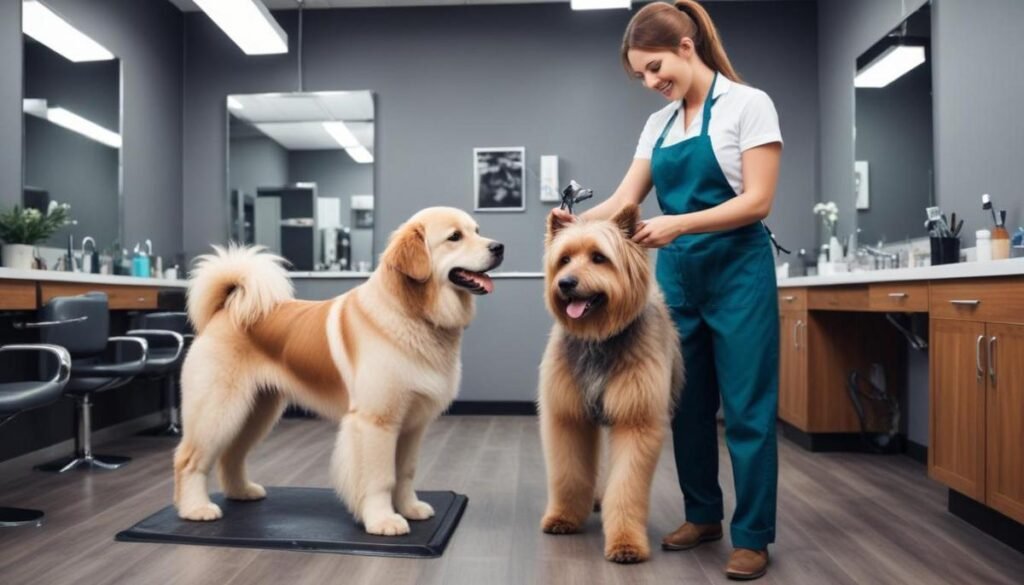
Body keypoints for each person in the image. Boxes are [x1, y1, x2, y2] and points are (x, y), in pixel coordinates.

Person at [550, 0, 783, 579]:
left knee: (749, 412)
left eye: (656, 68)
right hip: (678, 278)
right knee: (686, 408)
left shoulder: (748, 105)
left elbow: (758, 200)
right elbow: (624, 201)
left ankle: (752, 536)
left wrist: (679, 223)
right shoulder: (658, 125)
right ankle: (703, 514)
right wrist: (575, 225)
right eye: (642, 76)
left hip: (737, 272)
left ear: (686, 46)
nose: (652, 83)